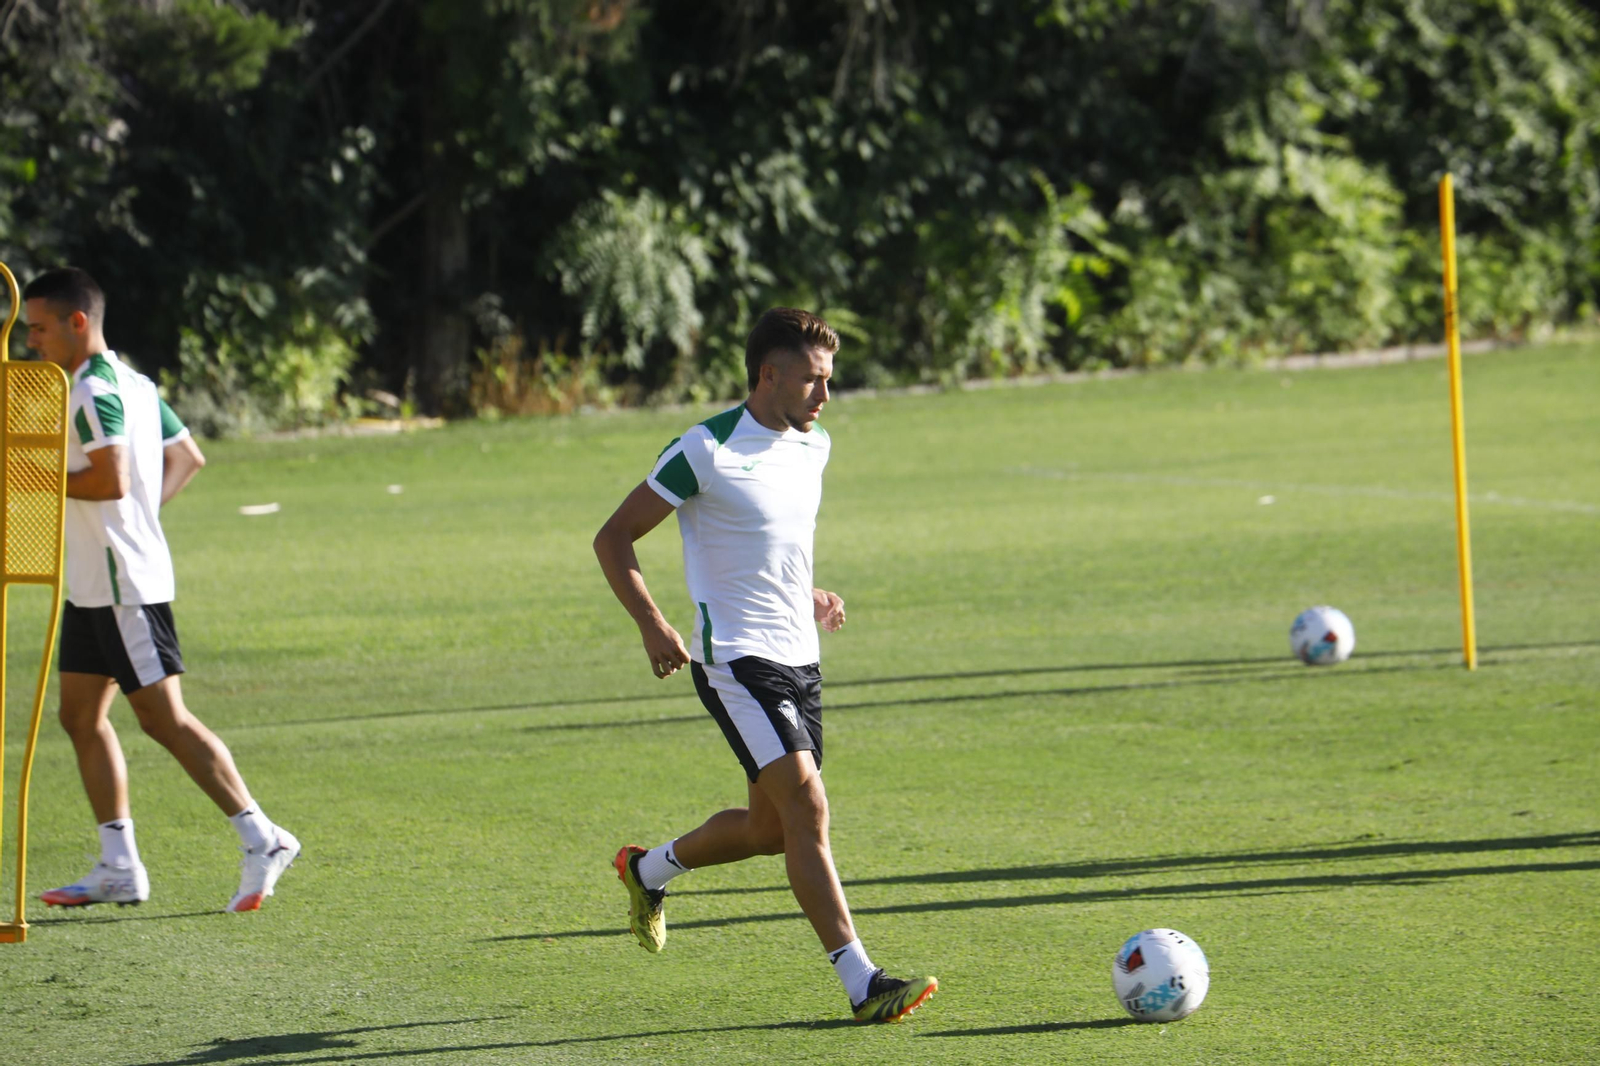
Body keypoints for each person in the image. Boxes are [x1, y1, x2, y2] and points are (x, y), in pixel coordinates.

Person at [593, 307, 937, 1024]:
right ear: (769, 374)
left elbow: (765, 539)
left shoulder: (814, 447)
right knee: (809, 809)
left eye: (829, 380)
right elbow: (614, 537)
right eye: (813, 380)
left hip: (799, 660)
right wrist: (654, 625)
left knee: (771, 830)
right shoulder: (705, 449)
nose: (824, 396)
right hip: (734, 662)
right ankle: (862, 983)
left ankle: (646, 869)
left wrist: (805, 591)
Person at [22, 266, 300, 913]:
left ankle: (263, 837)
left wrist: (34, 480)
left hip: (123, 585)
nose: (31, 341)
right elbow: (188, 457)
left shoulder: (93, 388)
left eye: (38, 328)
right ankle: (118, 866)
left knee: (163, 719)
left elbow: (110, 479)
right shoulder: (136, 383)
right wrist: (144, 519)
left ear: (77, 322)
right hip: (99, 581)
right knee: (80, 716)